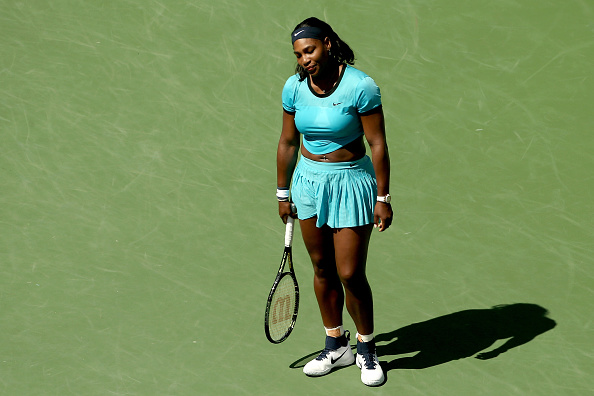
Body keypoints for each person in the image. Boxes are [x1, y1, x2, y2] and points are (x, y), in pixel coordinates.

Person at [276, 17, 393, 387]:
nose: (305, 59)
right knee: (322, 268)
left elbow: (377, 144)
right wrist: (282, 193)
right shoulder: (294, 88)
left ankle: (366, 347)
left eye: (309, 50)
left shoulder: (361, 86)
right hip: (308, 183)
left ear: (326, 43)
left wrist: (383, 196)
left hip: (351, 183)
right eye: (298, 54)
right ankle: (335, 343)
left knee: (349, 273)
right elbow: (288, 143)